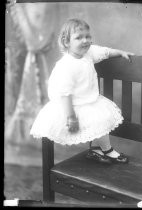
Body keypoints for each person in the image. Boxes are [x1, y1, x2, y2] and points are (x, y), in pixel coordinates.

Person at [30, 18, 134, 164]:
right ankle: (107, 150)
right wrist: (71, 117)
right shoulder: (66, 65)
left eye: (87, 36)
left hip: (89, 100)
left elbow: (105, 52)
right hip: (71, 106)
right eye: (79, 37)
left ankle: (99, 149)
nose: (85, 40)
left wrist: (120, 52)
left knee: (100, 119)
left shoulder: (89, 53)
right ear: (67, 42)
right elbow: (64, 94)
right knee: (97, 119)